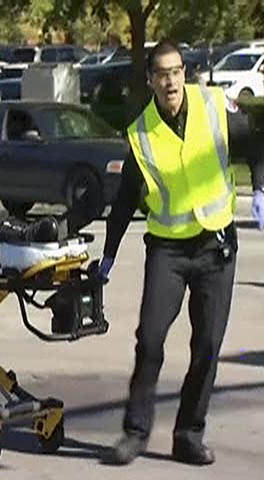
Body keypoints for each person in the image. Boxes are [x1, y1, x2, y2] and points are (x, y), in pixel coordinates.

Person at [98, 40, 264, 466]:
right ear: (151, 80)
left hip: (215, 247)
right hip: (168, 252)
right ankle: (135, 433)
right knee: (150, 340)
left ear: (184, 74)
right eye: (162, 74)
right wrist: (109, 255)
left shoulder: (214, 106)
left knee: (207, 345)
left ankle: (188, 435)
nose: (171, 81)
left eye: (176, 72)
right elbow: (125, 199)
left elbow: (254, 143)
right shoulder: (142, 133)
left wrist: (260, 187)